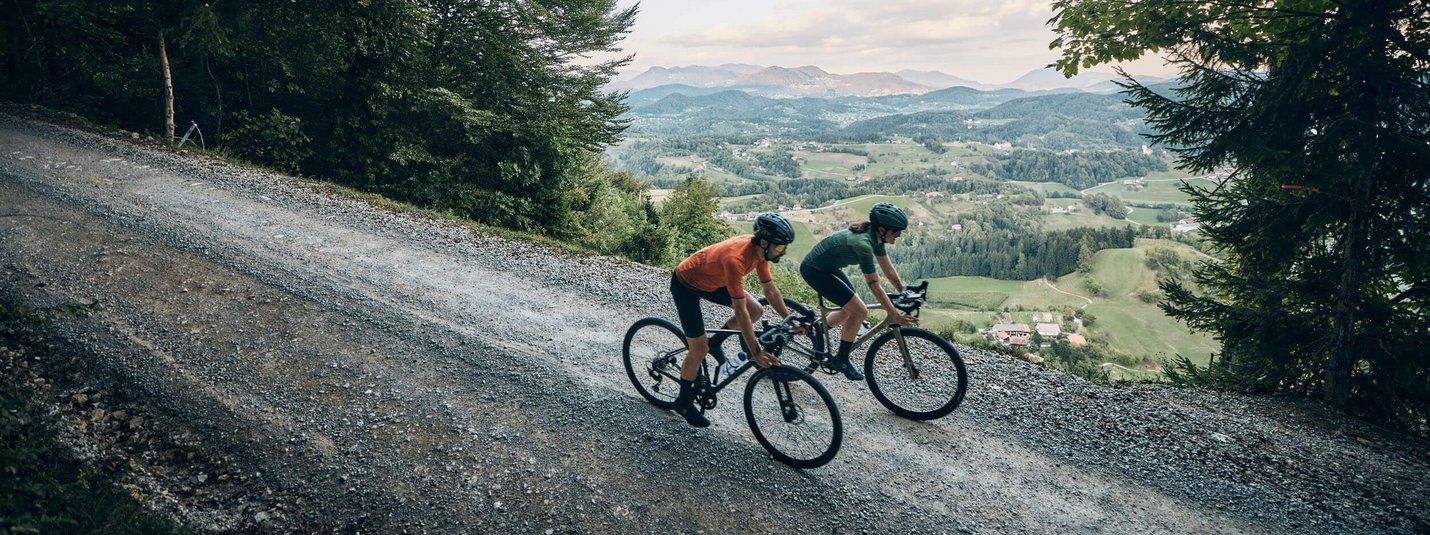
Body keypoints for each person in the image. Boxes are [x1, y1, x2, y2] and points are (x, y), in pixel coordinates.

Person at [668, 212, 802, 427]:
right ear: (765, 242)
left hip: (713, 280)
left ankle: (715, 343)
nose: (782, 252)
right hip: (686, 284)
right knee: (698, 349)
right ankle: (683, 401)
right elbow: (740, 312)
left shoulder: (760, 254)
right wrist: (756, 352)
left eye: (784, 248)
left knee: (756, 310)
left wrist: (790, 318)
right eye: (779, 247)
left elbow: (771, 291)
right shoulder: (736, 259)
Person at [799, 202, 917, 381]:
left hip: (828, 268)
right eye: (897, 232)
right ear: (883, 229)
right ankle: (842, 360)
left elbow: (889, 270)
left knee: (851, 309)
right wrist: (895, 314)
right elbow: (874, 285)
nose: (899, 235)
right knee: (859, 310)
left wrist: (903, 292)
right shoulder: (863, 244)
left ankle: (816, 331)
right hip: (814, 270)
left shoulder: (875, 238)